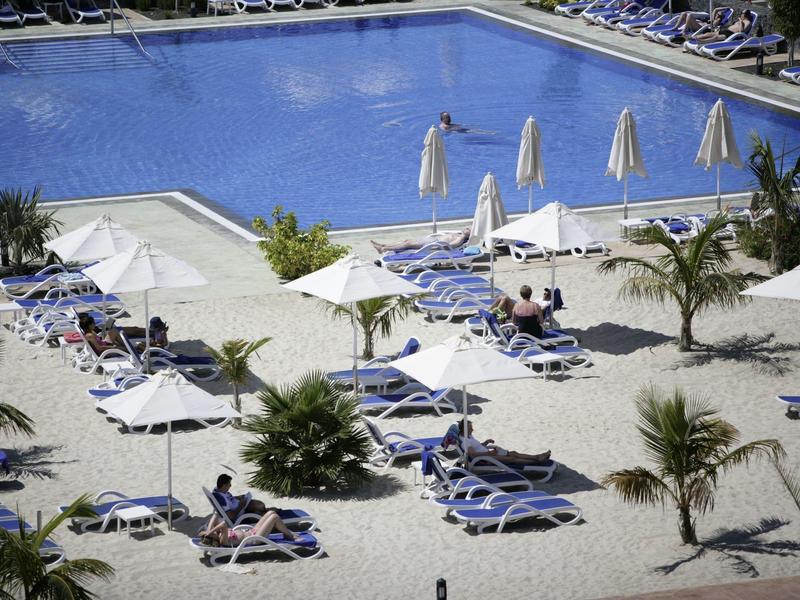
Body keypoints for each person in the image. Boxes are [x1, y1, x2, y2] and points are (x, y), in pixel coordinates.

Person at [458, 420, 551, 466]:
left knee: (514, 453)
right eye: (470, 428)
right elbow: (472, 454)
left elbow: (476, 447)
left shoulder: (468, 436)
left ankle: (537, 457)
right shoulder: (465, 441)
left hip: (489, 454)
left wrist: (485, 443)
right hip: (486, 459)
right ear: (465, 429)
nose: (473, 429)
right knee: (512, 459)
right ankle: (537, 462)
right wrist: (488, 453)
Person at [199, 510, 297, 547]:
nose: (211, 530)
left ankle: (285, 533)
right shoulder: (222, 540)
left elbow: (215, 515)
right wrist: (211, 531)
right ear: (213, 537)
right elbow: (224, 524)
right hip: (256, 538)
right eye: (210, 533)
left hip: (252, 531)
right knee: (274, 518)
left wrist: (209, 531)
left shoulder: (219, 533)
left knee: (271, 513)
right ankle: (291, 536)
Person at [370, 227, 471, 254]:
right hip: (432, 240)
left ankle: (383, 249)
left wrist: (435, 247)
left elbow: (450, 246)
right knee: (407, 240)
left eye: (468, 229)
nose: (466, 228)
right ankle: (384, 245)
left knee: (408, 244)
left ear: (468, 234)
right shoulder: (459, 234)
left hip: (432, 244)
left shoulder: (460, 238)